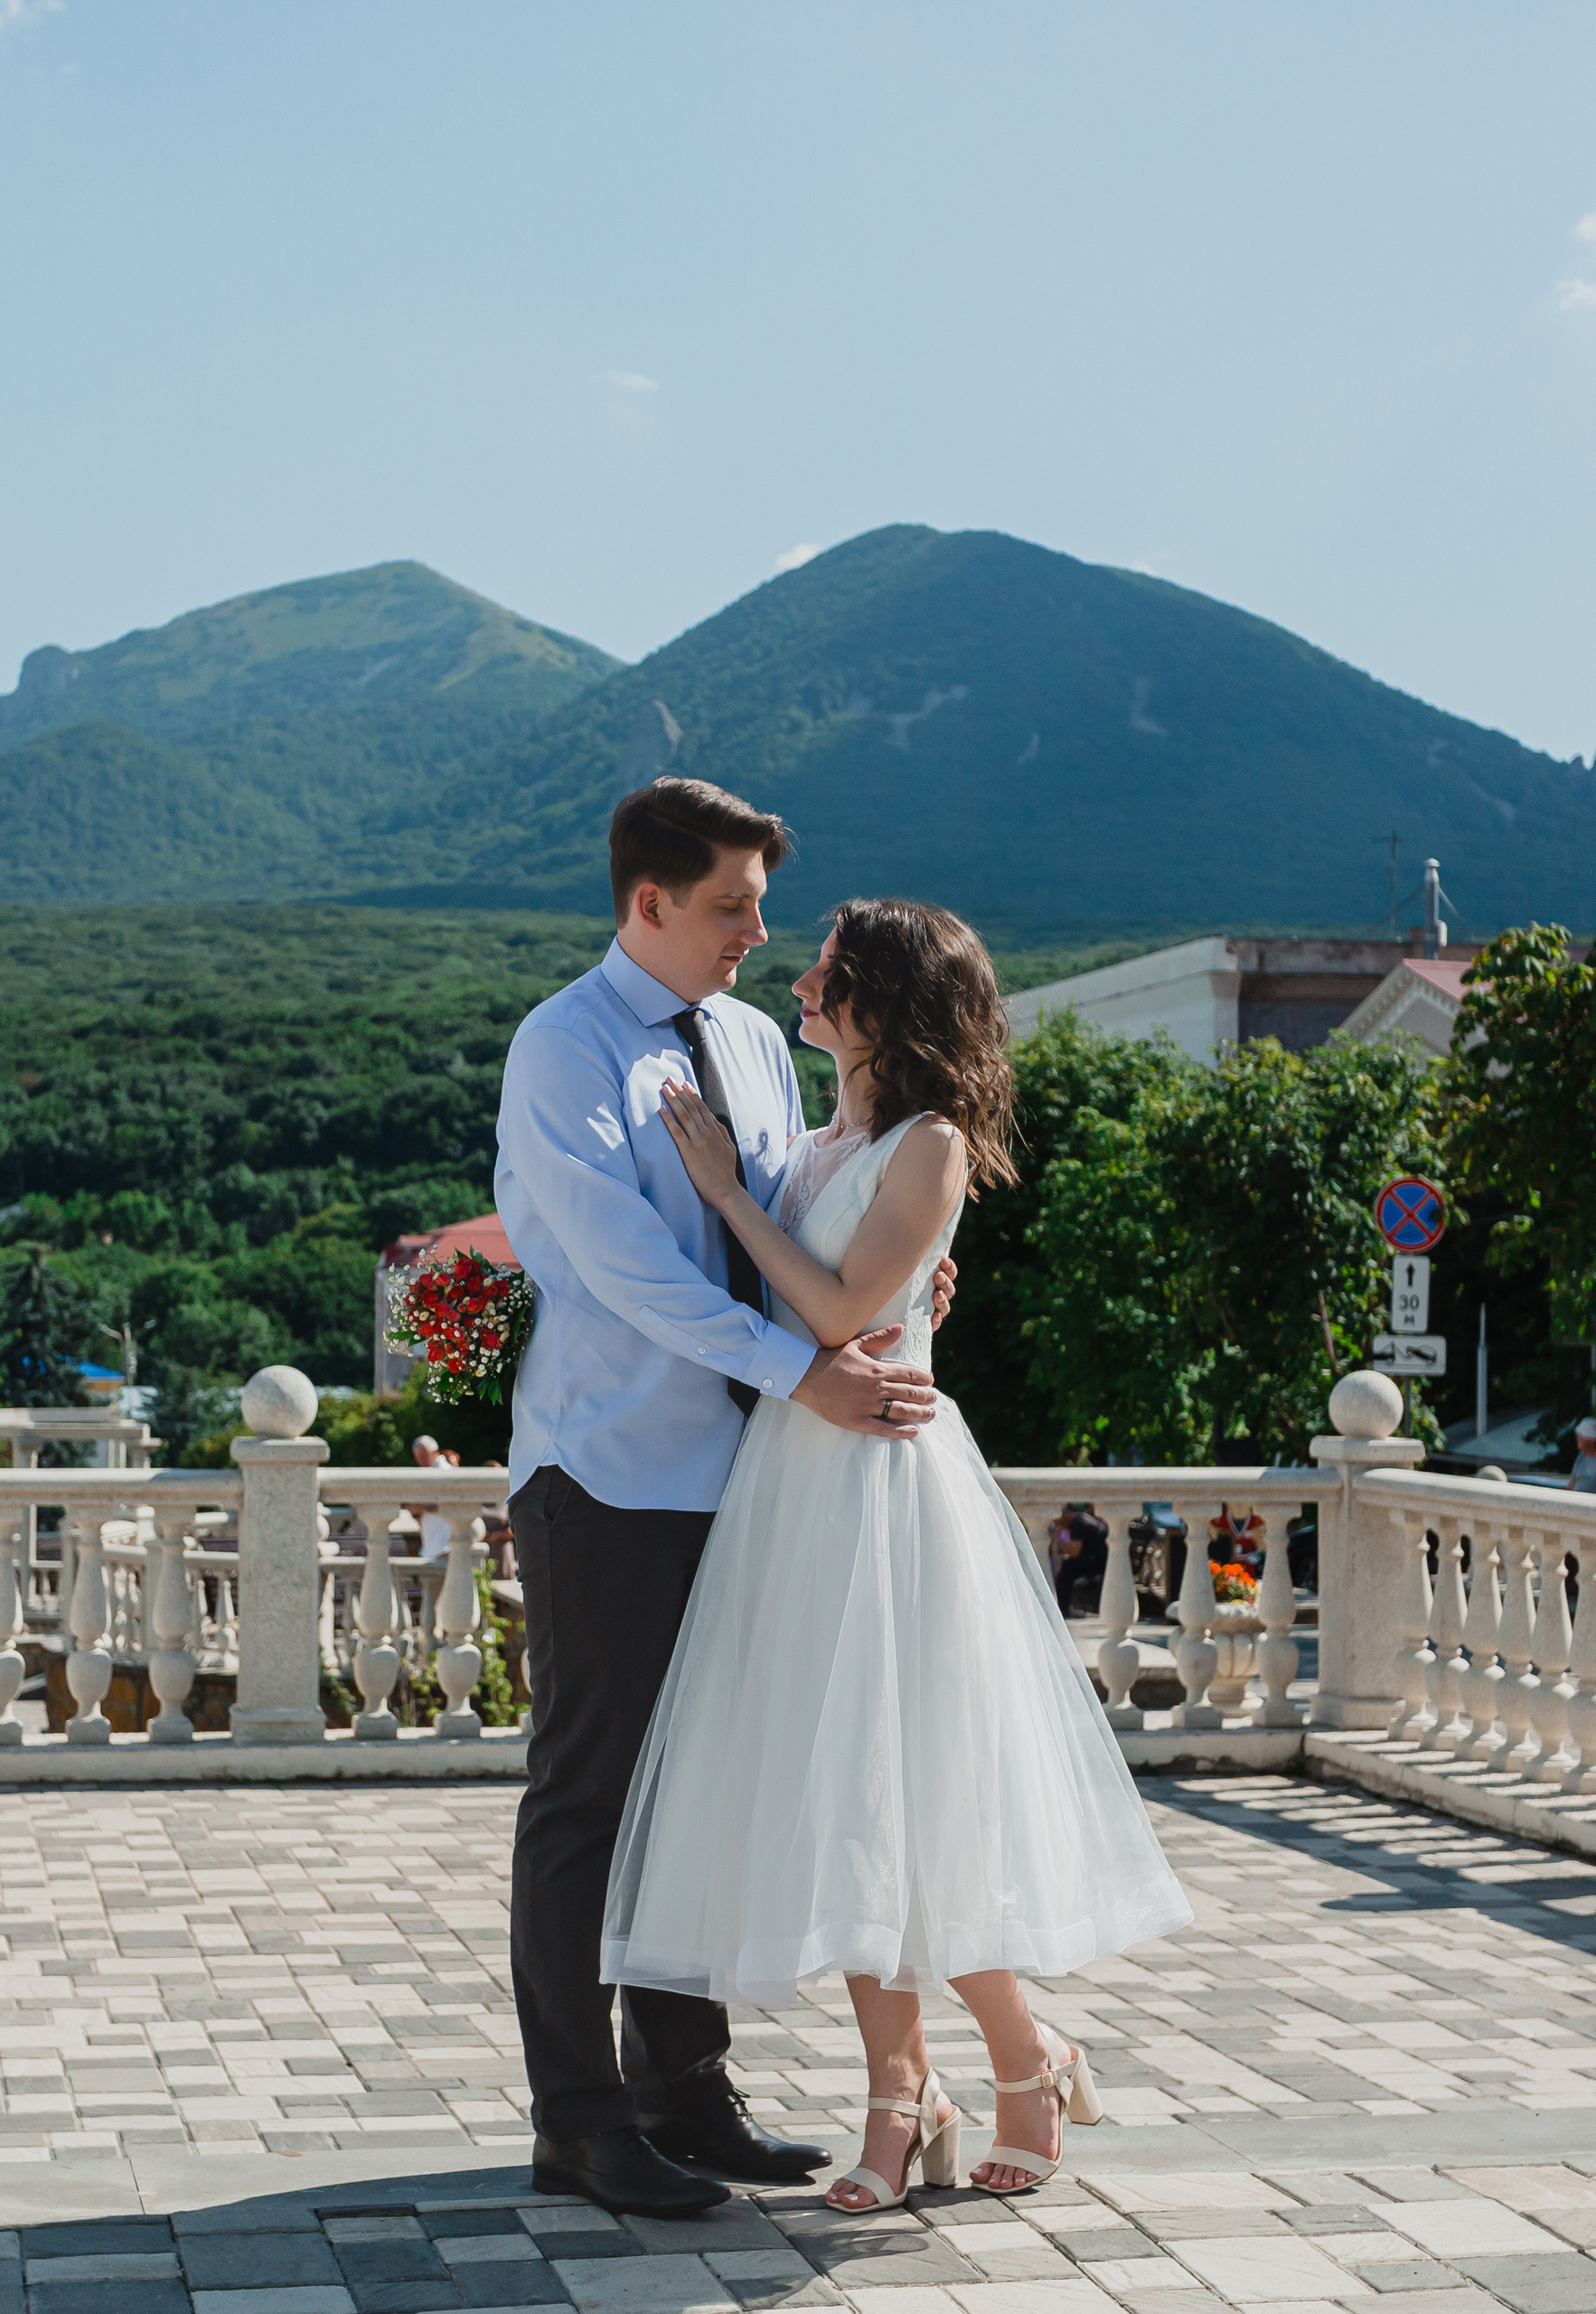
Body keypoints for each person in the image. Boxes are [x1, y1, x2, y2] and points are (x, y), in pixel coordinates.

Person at [603, 897, 1192, 2206]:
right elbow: (824, 1298)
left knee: (907, 1805)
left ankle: (1014, 2068)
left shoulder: (929, 1144)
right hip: (796, 1486)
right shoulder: (820, 1148)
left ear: (887, 1002)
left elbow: (829, 1306)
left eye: (832, 969)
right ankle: (919, 2092)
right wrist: (755, 1204)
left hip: (884, 1489)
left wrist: (721, 1195)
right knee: (843, 1816)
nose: (803, 980)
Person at [494, 778, 956, 2218]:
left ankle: (683, 2094)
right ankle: (578, 2119)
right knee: (591, 1796)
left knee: (698, 1795)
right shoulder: (562, 1050)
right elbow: (627, 1267)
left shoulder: (757, 1043)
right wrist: (795, 1368)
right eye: (733, 905)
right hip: (610, 1473)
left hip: (749, 1485)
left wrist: (897, 1281)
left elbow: (797, 1224)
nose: (761, 933)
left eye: (759, 902)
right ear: (649, 902)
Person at [1571, 1417, 1596, 1494]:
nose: (1578, 1439)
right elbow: (1572, 1482)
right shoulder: (1581, 1456)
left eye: (1581, 1436)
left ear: (1591, 1439)